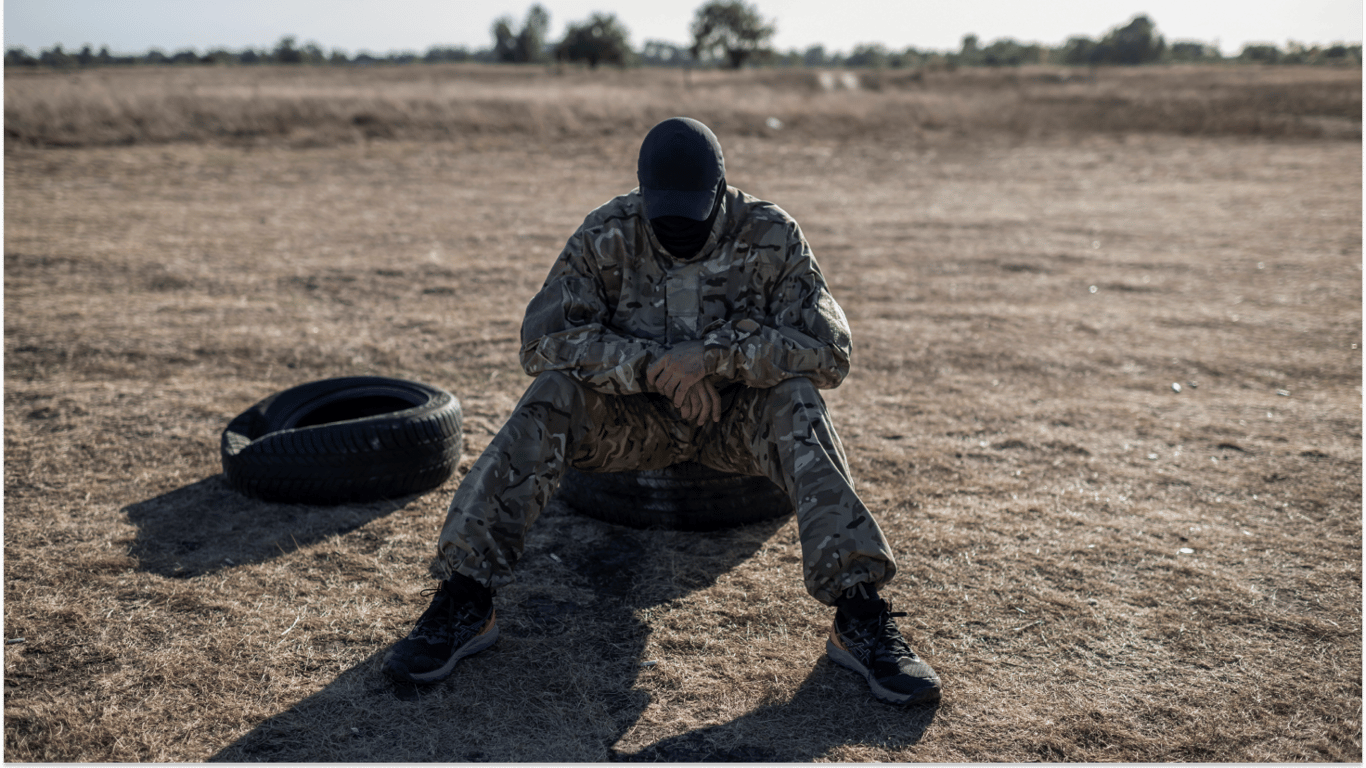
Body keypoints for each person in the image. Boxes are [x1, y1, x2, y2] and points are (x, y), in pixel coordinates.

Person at [382, 117, 940, 705]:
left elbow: (831, 352)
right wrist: (652, 367)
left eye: (692, 212)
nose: (677, 226)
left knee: (798, 401)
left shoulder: (772, 234)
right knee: (550, 395)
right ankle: (465, 598)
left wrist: (715, 358)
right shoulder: (607, 233)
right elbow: (543, 342)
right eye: (663, 211)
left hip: (735, 423)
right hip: (636, 424)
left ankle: (859, 614)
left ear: (721, 192)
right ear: (643, 193)